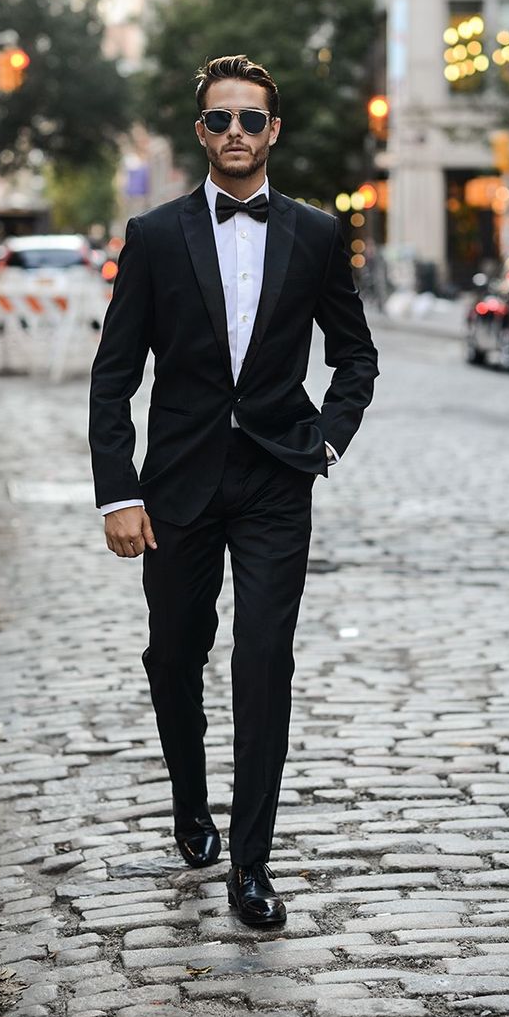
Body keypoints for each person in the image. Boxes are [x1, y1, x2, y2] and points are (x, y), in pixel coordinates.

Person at [88, 54, 378, 927]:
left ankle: (251, 866)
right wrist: (118, 493)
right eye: (221, 120)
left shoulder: (318, 235)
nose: (238, 133)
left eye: (253, 119)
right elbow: (114, 377)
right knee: (175, 655)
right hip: (175, 486)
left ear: (273, 130)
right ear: (201, 131)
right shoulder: (154, 236)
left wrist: (325, 439)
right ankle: (189, 797)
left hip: (274, 483)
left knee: (263, 663)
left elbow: (354, 354)